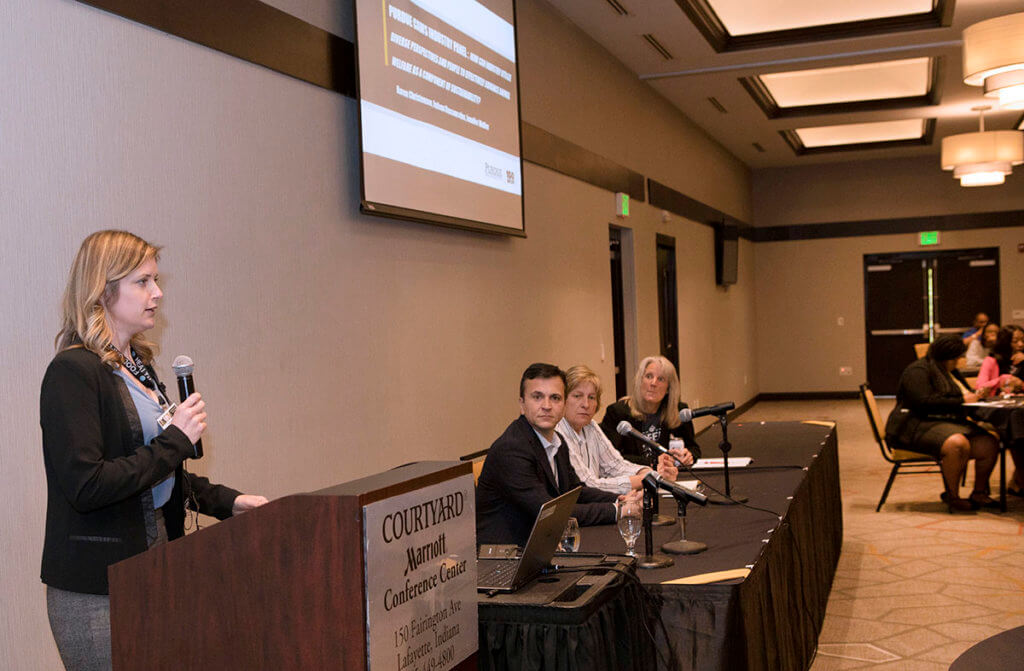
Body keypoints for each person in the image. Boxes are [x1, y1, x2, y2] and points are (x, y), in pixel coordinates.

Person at [40, 230, 268, 670]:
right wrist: (175, 441)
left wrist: (229, 503)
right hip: (97, 590)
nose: (157, 294)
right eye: (143, 282)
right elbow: (87, 485)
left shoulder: (139, 368)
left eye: (155, 281)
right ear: (103, 290)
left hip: (154, 569)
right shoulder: (73, 372)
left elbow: (159, 476)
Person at [475, 363, 624, 546]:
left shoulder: (558, 442)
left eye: (555, 398)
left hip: (542, 547)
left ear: (563, 405)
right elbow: (551, 513)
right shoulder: (511, 449)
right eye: (537, 397)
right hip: (505, 560)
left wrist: (619, 499)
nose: (547, 406)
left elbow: (576, 492)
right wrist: (616, 510)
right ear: (522, 404)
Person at [884, 335, 1000, 512]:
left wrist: (977, 399)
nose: (959, 362)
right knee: (957, 444)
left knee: (989, 444)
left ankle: (979, 493)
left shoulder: (949, 371)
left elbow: (963, 397)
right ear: (945, 357)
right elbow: (923, 403)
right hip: (914, 425)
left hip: (946, 422)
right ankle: (952, 496)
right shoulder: (917, 371)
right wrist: (962, 399)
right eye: (956, 358)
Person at [558, 365, 686, 494]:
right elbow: (587, 485)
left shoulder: (590, 426)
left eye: (591, 397)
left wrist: (649, 473)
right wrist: (646, 479)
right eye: (577, 396)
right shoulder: (558, 432)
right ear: (563, 399)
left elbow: (615, 465)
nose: (586, 404)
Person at [599, 355, 701, 465]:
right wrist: (653, 462)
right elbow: (611, 457)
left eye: (660, 379)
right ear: (640, 381)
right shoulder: (617, 412)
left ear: (668, 388)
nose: (653, 383)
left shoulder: (679, 411)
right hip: (635, 478)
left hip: (672, 475)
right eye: (649, 376)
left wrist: (689, 455)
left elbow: (693, 448)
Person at [976, 325, 1024, 396]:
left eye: (1023, 340)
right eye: (1015, 341)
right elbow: (980, 387)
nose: (1021, 344)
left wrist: (1021, 384)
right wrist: (1003, 379)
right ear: (1004, 342)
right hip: (998, 402)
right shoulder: (991, 360)